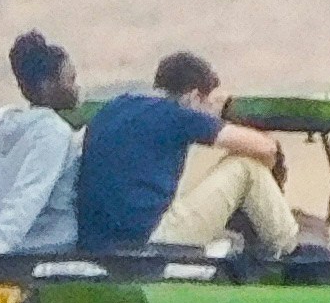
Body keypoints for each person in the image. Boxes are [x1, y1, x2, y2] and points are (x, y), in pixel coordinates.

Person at [75, 51, 296, 258]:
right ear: (194, 97)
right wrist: (219, 120)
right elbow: (266, 148)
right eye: (209, 102)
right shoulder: (178, 115)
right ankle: (290, 249)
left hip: (97, 242)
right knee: (245, 166)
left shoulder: (117, 106)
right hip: (149, 242)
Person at [0, 30, 85, 254]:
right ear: (48, 85)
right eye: (70, 80)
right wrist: (0, 243)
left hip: (14, 248)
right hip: (49, 250)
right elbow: (30, 191)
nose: (77, 88)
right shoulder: (52, 132)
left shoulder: (7, 128)